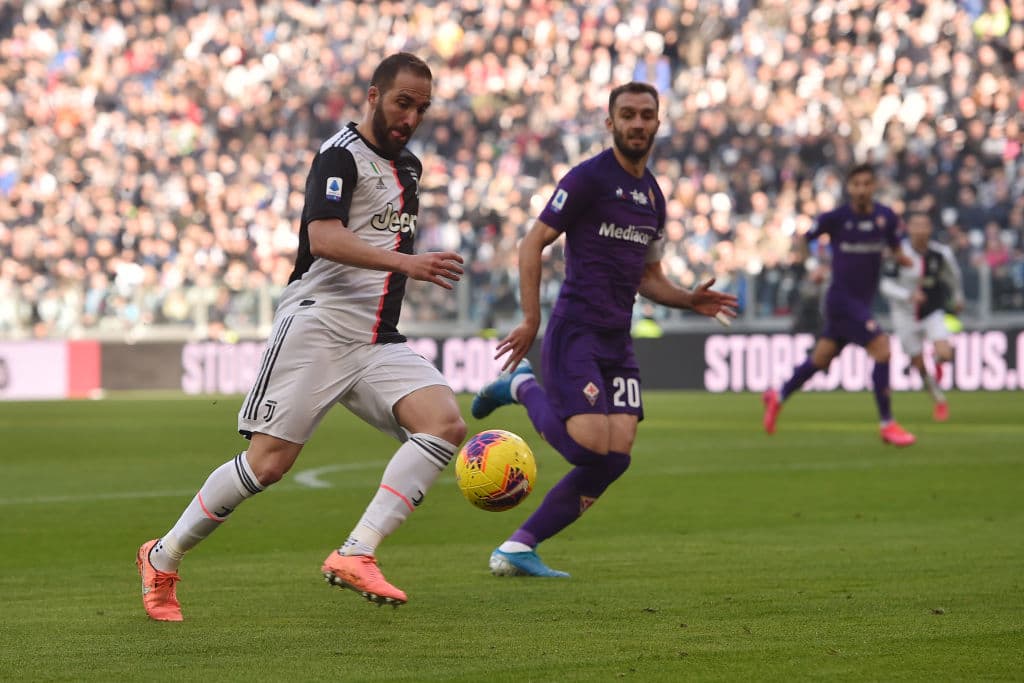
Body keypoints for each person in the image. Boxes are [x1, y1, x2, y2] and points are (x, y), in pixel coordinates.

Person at [136, 53, 467, 620]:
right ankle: (162, 557)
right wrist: (407, 262)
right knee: (267, 464)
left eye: (421, 107)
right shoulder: (340, 156)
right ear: (373, 96)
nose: (411, 116)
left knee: (445, 426)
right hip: (318, 322)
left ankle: (357, 553)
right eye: (401, 102)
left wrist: (401, 268)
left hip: (376, 337)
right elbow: (324, 238)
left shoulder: (409, 169)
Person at [469, 82, 738, 577]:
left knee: (616, 458)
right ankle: (523, 385)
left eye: (647, 115)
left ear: (658, 123)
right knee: (589, 446)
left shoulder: (652, 196)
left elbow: (648, 276)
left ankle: (517, 547)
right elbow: (533, 244)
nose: (638, 124)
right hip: (577, 330)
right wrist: (531, 319)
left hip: (618, 338)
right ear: (610, 123)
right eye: (628, 115)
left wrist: (687, 299)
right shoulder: (589, 179)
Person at [762, 164, 916, 446]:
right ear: (849, 188)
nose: (861, 189)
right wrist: (814, 265)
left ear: (874, 186)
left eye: (866, 184)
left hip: (862, 301)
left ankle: (778, 395)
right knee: (882, 349)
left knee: (820, 359)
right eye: (856, 184)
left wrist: (907, 261)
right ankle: (887, 424)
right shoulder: (836, 218)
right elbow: (803, 239)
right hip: (840, 299)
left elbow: (896, 249)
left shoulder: (886, 217)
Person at [880, 212, 965, 421]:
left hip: (931, 310)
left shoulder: (940, 253)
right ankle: (939, 400)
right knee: (918, 364)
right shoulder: (898, 253)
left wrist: (957, 297)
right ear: (908, 228)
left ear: (930, 229)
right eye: (915, 225)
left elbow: (952, 276)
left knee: (945, 353)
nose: (920, 230)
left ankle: (937, 361)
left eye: (924, 225)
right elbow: (885, 285)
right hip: (903, 315)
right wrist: (908, 295)